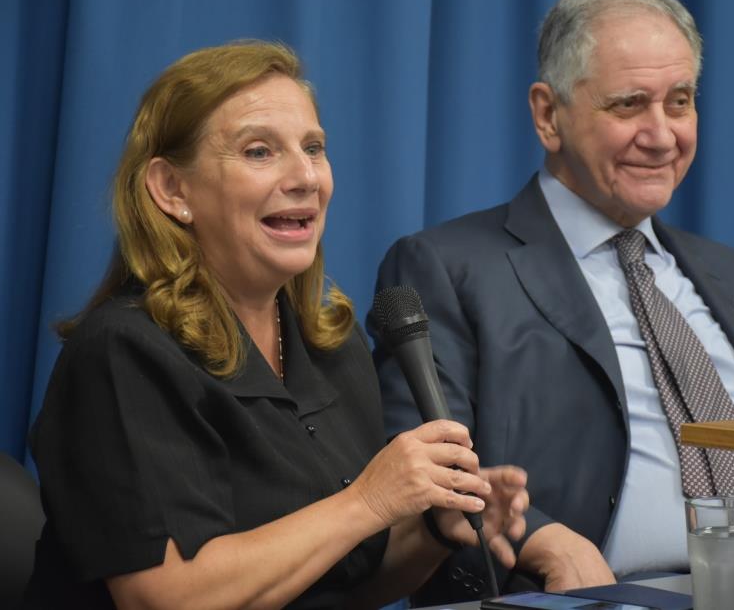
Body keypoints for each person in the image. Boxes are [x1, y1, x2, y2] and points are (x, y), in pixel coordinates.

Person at [372, 0, 734, 603]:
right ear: (548, 114)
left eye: (679, 102)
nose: (662, 134)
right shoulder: (447, 268)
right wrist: (545, 539)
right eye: (628, 105)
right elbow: (434, 480)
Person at [23, 41, 529, 610]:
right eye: (260, 152)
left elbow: (348, 584)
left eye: (314, 148)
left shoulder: (330, 344)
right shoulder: (123, 353)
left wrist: (434, 530)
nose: (305, 177)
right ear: (171, 190)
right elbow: (164, 598)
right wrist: (368, 501)